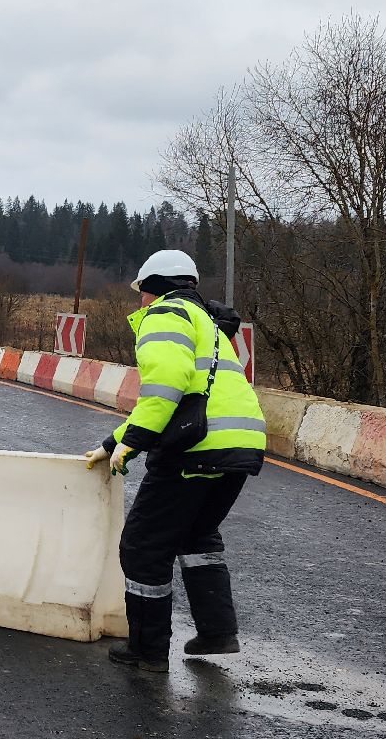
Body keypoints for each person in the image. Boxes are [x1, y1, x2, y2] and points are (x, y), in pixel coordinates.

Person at [85, 250, 267, 671]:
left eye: (141, 294)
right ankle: (218, 632)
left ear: (151, 289)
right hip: (240, 445)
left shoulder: (165, 315)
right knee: (198, 536)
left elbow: (164, 390)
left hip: (196, 448)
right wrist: (113, 442)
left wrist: (134, 442)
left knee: (144, 546)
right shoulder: (206, 322)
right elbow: (184, 400)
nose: (140, 302)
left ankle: (147, 651)